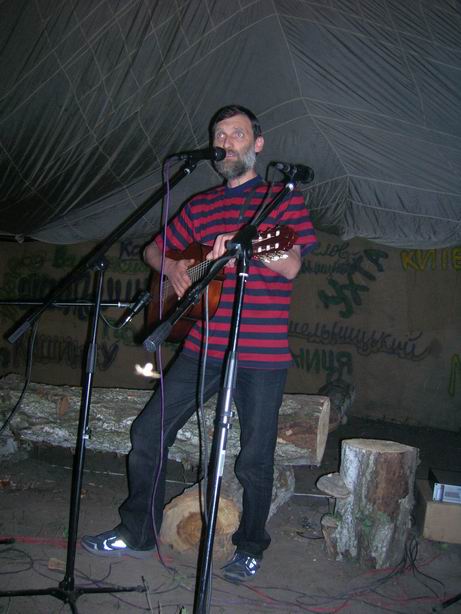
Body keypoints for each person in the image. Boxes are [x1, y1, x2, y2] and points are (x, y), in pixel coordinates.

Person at [81, 105, 318, 582]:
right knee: (148, 432)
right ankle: (138, 532)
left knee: (255, 458)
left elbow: (291, 264)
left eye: (237, 133)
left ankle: (250, 546)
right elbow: (153, 249)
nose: (226, 141)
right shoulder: (200, 206)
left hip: (262, 353)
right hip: (202, 345)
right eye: (219, 135)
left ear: (258, 144)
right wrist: (172, 266)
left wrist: (247, 243)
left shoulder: (281, 200)